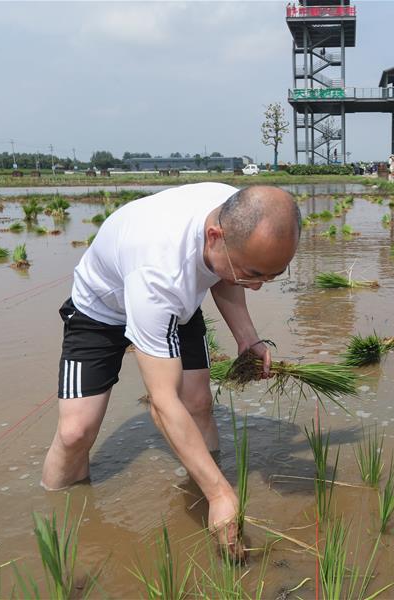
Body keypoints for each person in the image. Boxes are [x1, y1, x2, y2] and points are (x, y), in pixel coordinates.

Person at [41, 183, 300, 557]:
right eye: (253, 274)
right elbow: (162, 404)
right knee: (75, 433)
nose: (257, 286)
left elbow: (229, 272)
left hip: (177, 306)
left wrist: (248, 337)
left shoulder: (236, 210)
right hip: (101, 310)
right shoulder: (159, 274)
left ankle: (204, 492)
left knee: (198, 404)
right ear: (214, 236)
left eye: (272, 276)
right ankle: (60, 530)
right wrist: (221, 493)